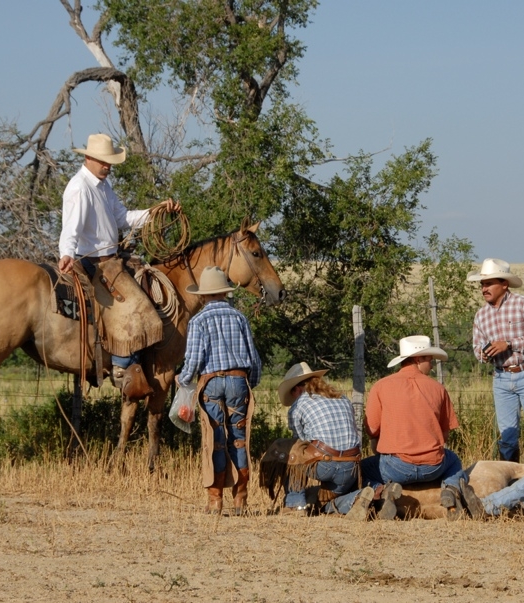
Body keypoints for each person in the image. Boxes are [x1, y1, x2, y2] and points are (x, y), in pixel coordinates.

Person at [58, 133, 180, 397]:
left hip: (109, 261)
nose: (108, 166)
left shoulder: (103, 187)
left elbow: (123, 218)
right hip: (94, 262)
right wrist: (66, 252)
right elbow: (72, 226)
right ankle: (122, 367)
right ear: (89, 158)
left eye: (110, 161)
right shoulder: (80, 187)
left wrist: (156, 212)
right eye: (103, 161)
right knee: (136, 305)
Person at [350, 335, 470, 521]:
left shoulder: (381, 386)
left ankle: (382, 490)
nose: (431, 364)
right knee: (453, 460)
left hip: (395, 467)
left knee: (361, 469)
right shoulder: (438, 388)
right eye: (429, 359)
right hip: (434, 467)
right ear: (418, 359)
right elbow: (444, 435)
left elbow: (372, 430)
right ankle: (451, 490)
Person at [176, 266, 262, 515]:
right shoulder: (239, 318)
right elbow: (253, 359)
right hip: (238, 381)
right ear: (224, 293)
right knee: (239, 440)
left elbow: (193, 360)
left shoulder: (198, 320)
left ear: (203, 295)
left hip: (211, 382)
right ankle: (241, 500)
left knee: (214, 441)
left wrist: (183, 381)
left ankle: (215, 501)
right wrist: (249, 383)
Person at [469, 258, 524, 462]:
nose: (484, 289)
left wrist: (509, 344)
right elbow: (477, 348)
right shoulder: (481, 316)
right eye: (482, 284)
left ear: (504, 284)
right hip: (501, 378)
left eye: (488, 283)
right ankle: (509, 482)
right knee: (506, 437)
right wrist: (485, 353)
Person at [276, 362, 362, 516]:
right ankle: (356, 499)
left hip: (324, 466)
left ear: (297, 388)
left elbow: (300, 443)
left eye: (292, 392)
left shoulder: (298, 406)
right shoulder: (342, 398)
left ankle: (295, 504)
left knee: (292, 450)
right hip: (351, 468)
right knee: (325, 501)